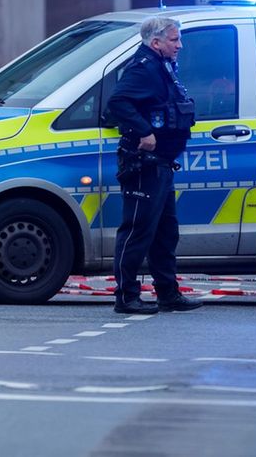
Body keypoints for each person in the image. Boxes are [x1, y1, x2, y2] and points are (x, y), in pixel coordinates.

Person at [106, 16, 204, 314]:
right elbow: (118, 102)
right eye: (174, 40)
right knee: (137, 231)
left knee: (165, 232)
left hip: (161, 163)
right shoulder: (144, 67)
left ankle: (168, 293)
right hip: (144, 164)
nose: (180, 45)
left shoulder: (163, 65)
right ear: (156, 42)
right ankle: (126, 297)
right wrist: (144, 131)